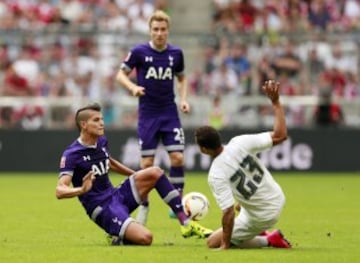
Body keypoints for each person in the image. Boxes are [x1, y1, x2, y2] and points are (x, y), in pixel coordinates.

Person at [55, 103, 212, 246]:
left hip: (117, 195)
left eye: (102, 119)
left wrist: (138, 174)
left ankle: (186, 224)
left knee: (155, 173)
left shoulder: (101, 140)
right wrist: (81, 190)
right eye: (96, 120)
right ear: (83, 125)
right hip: (102, 208)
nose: (102, 123)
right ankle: (117, 236)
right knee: (146, 238)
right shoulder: (71, 154)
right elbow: (60, 190)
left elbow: (109, 162)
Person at [194, 80, 291, 249]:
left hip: (264, 215)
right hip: (277, 196)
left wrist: (225, 245)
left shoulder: (216, 173)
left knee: (212, 242)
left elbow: (228, 212)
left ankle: (269, 240)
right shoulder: (239, 142)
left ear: (204, 149)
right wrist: (275, 102)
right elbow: (280, 135)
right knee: (240, 206)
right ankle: (258, 231)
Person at [116, 10, 190, 224]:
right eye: (155, 29)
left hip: (169, 113)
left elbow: (182, 77)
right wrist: (132, 87)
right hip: (148, 115)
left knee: (177, 158)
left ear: (168, 31)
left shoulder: (176, 54)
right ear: (150, 31)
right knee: (147, 164)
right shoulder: (139, 52)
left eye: (163, 29)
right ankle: (144, 205)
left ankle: (178, 201)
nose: (159, 33)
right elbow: (120, 74)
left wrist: (183, 99)